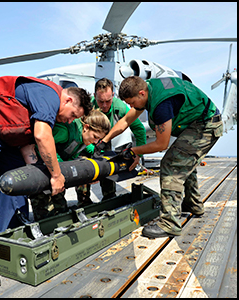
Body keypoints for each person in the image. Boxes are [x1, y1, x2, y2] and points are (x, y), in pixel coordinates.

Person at [0, 75, 92, 289]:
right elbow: (42, 136)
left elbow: (29, 151)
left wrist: (39, 179)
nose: (69, 121)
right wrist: (56, 175)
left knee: (19, 180)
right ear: (68, 101)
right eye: (73, 115)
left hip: (6, 134)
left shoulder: (40, 111)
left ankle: (13, 235)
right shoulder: (50, 95)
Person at [97, 76, 223, 239]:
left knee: (171, 164)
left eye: (132, 103)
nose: (131, 107)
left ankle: (170, 223)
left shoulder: (161, 105)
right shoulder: (148, 89)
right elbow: (126, 120)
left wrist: (134, 150)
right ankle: (193, 205)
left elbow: (161, 144)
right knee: (182, 160)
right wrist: (104, 141)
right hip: (198, 122)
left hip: (206, 125)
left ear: (141, 94)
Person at [20, 109, 111, 220]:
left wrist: (100, 155)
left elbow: (86, 147)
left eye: (99, 139)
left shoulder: (82, 136)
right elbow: (43, 145)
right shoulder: (65, 132)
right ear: (86, 127)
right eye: (95, 137)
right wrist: (59, 165)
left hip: (55, 172)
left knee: (61, 208)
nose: (96, 141)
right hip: (41, 171)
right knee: (44, 213)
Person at [77, 78, 146, 206]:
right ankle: (83, 201)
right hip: (87, 142)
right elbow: (80, 133)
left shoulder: (119, 107)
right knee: (83, 168)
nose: (104, 106)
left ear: (113, 95)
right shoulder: (87, 107)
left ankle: (109, 197)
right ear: (94, 96)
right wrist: (91, 148)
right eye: (100, 101)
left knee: (107, 165)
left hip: (105, 142)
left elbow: (139, 130)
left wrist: (139, 154)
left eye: (108, 101)